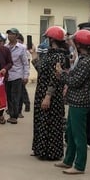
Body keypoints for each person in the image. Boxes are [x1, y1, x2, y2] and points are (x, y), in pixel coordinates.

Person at [54, 29, 90, 174]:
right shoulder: (84, 58)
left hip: (80, 101)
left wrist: (60, 74)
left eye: (74, 41)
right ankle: (68, 160)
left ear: (79, 44)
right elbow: (74, 75)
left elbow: (75, 81)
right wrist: (65, 73)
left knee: (78, 134)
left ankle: (79, 165)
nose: (71, 43)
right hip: (76, 100)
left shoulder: (86, 61)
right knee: (71, 131)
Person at [30, 26, 68, 160]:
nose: (46, 40)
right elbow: (41, 70)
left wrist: (47, 97)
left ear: (52, 39)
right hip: (41, 92)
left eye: (47, 38)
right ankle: (40, 150)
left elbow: (55, 78)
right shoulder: (49, 54)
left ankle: (51, 153)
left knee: (51, 122)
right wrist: (33, 54)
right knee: (41, 121)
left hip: (51, 95)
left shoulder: (59, 56)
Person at [4, 28, 29, 124]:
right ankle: (11, 113)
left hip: (17, 75)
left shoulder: (22, 48)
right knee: (9, 96)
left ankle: (14, 115)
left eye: (12, 34)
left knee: (15, 96)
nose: (10, 36)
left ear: (16, 36)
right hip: (7, 75)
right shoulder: (6, 47)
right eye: (9, 34)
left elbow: (25, 63)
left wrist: (25, 76)